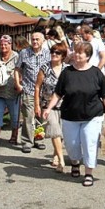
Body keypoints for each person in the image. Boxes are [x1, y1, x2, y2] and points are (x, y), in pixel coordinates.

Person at [42, 43, 105, 187]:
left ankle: (88, 173)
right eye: (75, 52)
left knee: (89, 142)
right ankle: (75, 162)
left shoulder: (96, 73)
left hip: (93, 114)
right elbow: (58, 93)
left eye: (80, 53)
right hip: (70, 114)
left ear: (87, 56)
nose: (76, 55)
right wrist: (49, 108)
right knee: (72, 144)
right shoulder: (67, 72)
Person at [35, 42, 69, 172]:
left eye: (57, 53)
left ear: (63, 55)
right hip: (47, 104)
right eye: (52, 52)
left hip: (64, 104)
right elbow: (38, 86)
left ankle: (55, 154)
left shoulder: (67, 69)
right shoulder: (45, 68)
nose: (54, 54)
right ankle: (61, 160)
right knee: (54, 130)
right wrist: (37, 105)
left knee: (61, 133)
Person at [15, 31, 50, 153]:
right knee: (28, 117)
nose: (35, 42)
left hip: (43, 92)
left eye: (37, 39)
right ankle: (27, 142)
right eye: (33, 39)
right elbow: (17, 69)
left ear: (43, 41)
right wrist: (18, 84)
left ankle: (39, 139)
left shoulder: (47, 54)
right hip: (28, 89)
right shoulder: (24, 53)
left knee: (41, 117)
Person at [0, 35, 20, 146]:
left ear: (10, 44)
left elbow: (21, 71)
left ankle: (14, 136)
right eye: (1, 44)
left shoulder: (16, 56)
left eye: (6, 44)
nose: (3, 46)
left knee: (14, 114)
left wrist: (19, 83)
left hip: (12, 90)